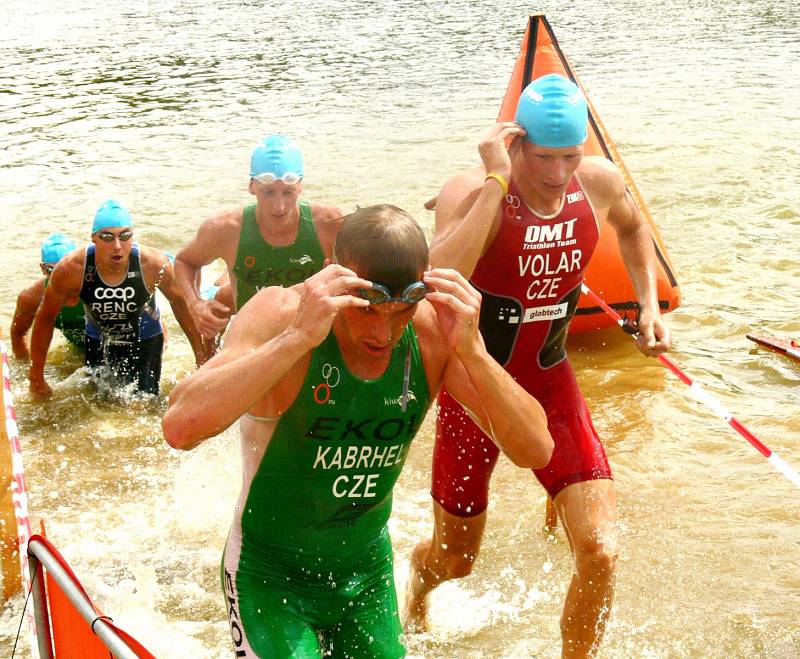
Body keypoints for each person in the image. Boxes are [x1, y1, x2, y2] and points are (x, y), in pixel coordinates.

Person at [162, 205, 554, 658]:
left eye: (402, 309)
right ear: (337, 277)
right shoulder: (283, 311)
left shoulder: (433, 333)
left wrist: (474, 352)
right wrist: (297, 338)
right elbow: (180, 427)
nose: (383, 330)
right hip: (269, 574)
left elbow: (535, 449)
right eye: (367, 308)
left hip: (364, 575)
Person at [405, 74, 671, 658]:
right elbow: (430, 276)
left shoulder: (597, 183)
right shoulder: (469, 189)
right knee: (455, 559)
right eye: (543, 158)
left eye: (570, 157)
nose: (557, 175)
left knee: (600, 553)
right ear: (515, 142)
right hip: (475, 388)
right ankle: (417, 595)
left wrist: (648, 305)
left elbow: (634, 228)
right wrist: (496, 184)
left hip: (552, 382)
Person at [174, 133, 344, 349]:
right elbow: (184, 262)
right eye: (268, 192)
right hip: (254, 344)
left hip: (313, 340)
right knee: (221, 298)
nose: (279, 206)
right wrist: (195, 304)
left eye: (288, 192)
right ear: (252, 186)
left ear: (300, 186)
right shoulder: (225, 229)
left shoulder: (329, 223)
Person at [28, 200, 204, 397]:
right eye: (107, 237)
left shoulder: (152, 264)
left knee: (142, 406)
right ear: (94, 238)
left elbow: (180, 304)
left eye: (125, 235)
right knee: (97, 405)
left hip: (145, 338)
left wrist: (201, 358)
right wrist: (36, 376)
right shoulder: (72, 269)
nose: (118, 246)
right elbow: (45, 317)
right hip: (98, 338)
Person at [11, 233, 85, 360]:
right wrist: (27, 368)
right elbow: (18, 333)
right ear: (42, 269)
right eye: (52, 270)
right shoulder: (32, 297)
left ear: (78, 265)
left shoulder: (96, 289)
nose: (59, 277)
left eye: (64, 269)